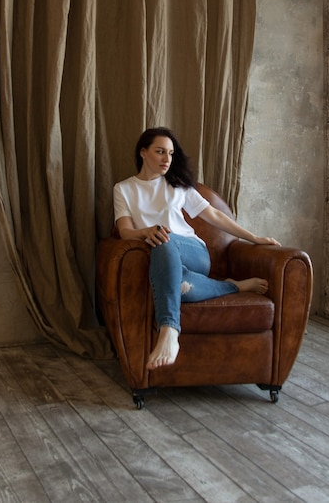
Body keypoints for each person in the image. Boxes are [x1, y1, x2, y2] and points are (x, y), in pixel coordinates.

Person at [113, 127, 281, 371]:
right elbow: (125, 231)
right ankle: (234, 286)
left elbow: (213, 215)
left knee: (164, 238)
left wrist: (253, 237)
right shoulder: (124, 189)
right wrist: (145, 231)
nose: (166, 159)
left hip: (193, 253)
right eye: (160, 152)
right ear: (143, 153)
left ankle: (169, 329)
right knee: (179, 287)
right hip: (161, 257)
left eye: (170, 153)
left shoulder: (177, 185)